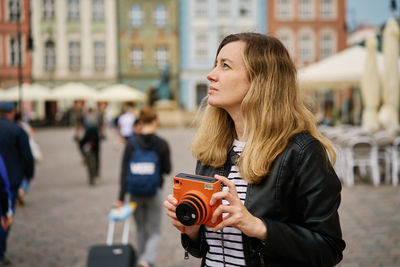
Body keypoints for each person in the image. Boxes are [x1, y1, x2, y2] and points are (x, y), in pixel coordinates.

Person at [163, 33, 345, 267]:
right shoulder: (213, 148)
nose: (211, 74)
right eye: (215, 64)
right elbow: (208, 250)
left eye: (225, 66)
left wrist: (259, 227)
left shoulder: (302, 153)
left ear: (262, 80)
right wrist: (192, 230)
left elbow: (328, 249)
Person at [117, 107, 171, 267]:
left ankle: (142, 258)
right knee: (154, 229)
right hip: (154, 191)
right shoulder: (162, 144)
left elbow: (124, 172)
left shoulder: (131, 143)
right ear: (155, 121)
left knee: (140, 228)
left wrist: (120, 198)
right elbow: (167, 169)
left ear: (140, 123)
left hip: (134, 193)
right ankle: (146, 260)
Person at [0, 102, 34, 265]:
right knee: (6, 216)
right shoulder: (17, 130)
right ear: (12, 112)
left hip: (8, 180)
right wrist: (29, 176)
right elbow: (27, 156)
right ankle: (0, 252)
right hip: (10, 182)